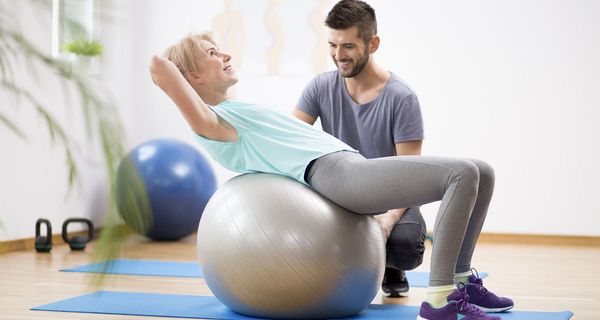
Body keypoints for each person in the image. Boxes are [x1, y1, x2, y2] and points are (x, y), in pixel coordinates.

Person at [150, 32, 514, 320]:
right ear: (192, 76)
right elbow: (168, 77)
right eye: (212, 53)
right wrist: (171, 69)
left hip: (349, 166)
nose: (225, 55)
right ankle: (440, 299)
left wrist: (193, 59)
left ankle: (465, 281)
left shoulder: (234, 109)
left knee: (482, 171)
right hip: (337, 175)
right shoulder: (215, 123)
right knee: (461, 174)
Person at [294, 0, 426, 297]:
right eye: (332, 45)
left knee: (405, 248)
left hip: (391, 194)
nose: (338, 55)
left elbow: (411, 174)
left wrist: (389, 221)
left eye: (349, 46)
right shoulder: (320, 87)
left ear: (373, 43)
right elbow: (292, 139)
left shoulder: (402, 98)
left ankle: (391, 266)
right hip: (341, 195)